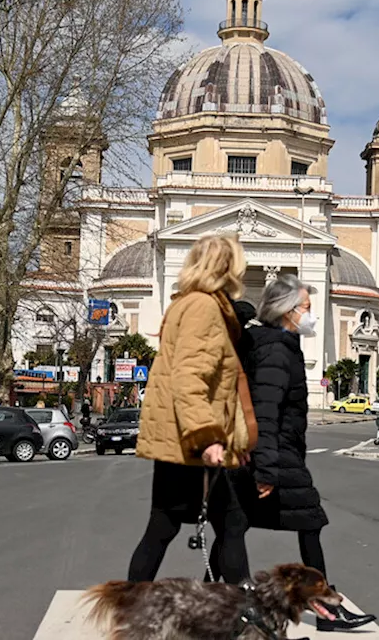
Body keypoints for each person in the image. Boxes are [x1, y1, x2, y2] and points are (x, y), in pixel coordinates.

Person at [241, 274, 377, 631]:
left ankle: (220, 603)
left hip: (277, 456)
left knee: (234, 528)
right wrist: (266, 470)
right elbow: (265, 413)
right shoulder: (274, 351)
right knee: (308, 524)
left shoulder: (282, 347)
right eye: (306, 308)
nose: (311, 315)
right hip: (275, 457)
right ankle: (328, 609)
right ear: (287, 311)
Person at [126, 233, 255, 584]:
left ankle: (132, 613)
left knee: (164, 528)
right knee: (231, 523)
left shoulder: (184, 303)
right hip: (190, 445)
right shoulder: (204, 308)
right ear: (227, 267)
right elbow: (190, 376)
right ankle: (243, 617)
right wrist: (208, 438)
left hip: (177, 441)